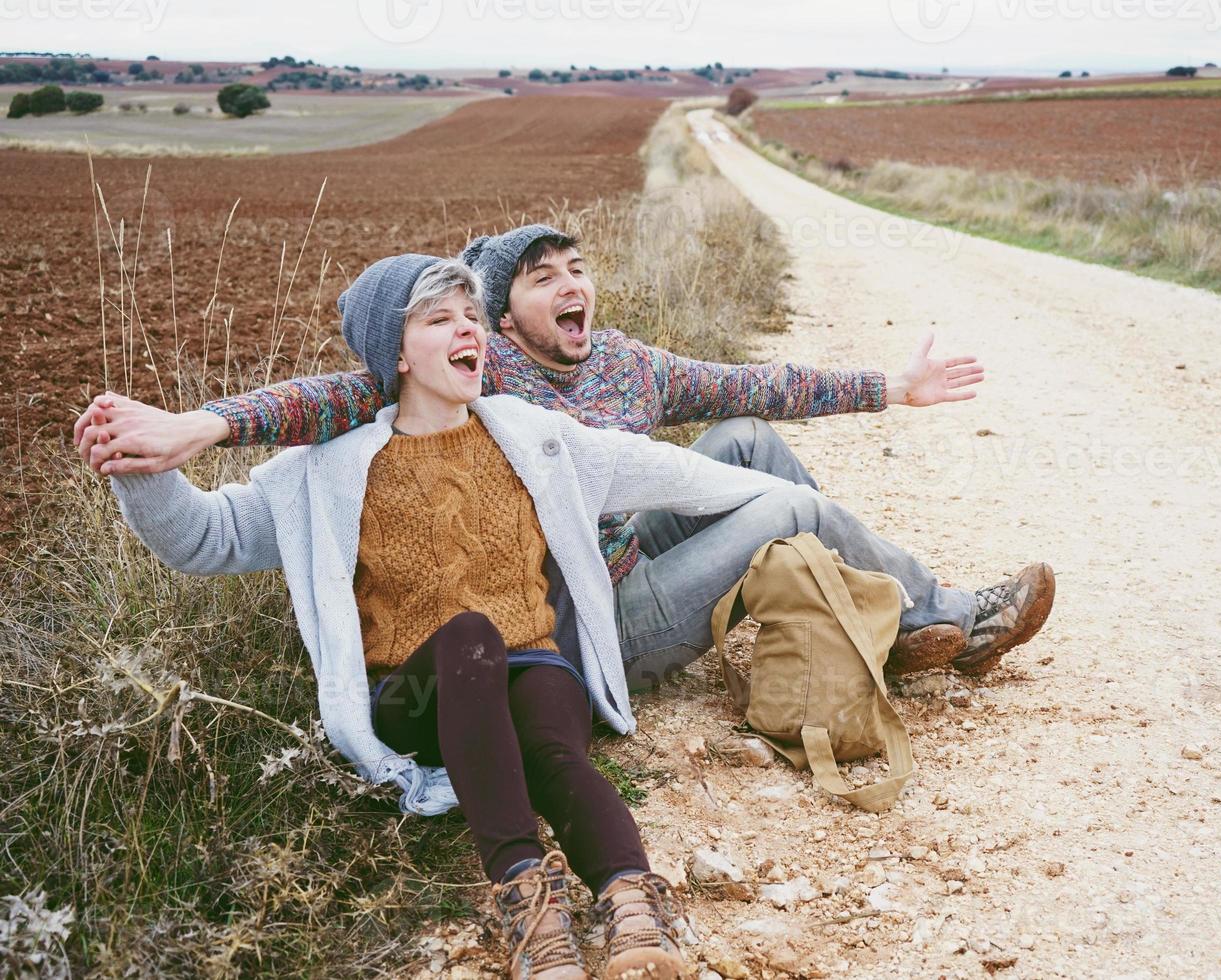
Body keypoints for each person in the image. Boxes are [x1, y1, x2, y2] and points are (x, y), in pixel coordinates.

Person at [104, 255, 797, 979]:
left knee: (554, 747)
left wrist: (777, 497)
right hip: (413, 695)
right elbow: (204, 538)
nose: (467, 330)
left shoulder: (534, 438)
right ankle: (531, 908)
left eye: (472, 317)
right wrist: (135, 462)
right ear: (396, 354)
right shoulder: (329, 468)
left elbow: (676, 475)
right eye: (440, 319)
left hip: (536, 672)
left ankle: (633, 910)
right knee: (470, 637)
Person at [77, 224, 1055, 687]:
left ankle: (852, 624)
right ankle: (950, 620)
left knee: (749, 445)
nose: (572, 284)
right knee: (780, 507)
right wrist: (186, 434)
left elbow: (759, 389)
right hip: (599, 620)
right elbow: (330, 405)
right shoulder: (471, 382)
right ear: (500, 319)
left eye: (577, 267)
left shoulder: (625, 365)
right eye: (544, 277)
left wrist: (893, 385)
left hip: (635, 550)